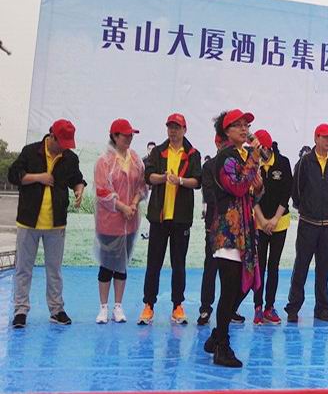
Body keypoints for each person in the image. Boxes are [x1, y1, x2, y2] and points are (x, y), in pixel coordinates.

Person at [8, 119, 86, 328]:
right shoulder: (30, 152)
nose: (64, 148)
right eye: (62, 143)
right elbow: (14, 175)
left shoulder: (70, 158)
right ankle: (20, 310)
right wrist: (38, 177)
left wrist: (79, 189)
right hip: (28, 221)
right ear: (52, 136)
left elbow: (77, 179)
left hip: (56, 224)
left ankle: (56, 309)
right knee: (23, 268)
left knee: (54, 270)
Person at [203, 109, 263, 367]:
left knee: (244, 285)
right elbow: (237, 187)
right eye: (238, 125)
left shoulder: (242, 156)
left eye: (246, 125)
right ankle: (222, 346)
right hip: (228, 232)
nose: (244, 129)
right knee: (230, 289)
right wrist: (255, 158)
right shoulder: (225, 157)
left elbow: (249, 192)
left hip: (244, 231)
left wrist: (258, 187)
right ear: (226, 131)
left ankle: (217, 335)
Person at [138, 113, 202, 326]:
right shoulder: (158, 151)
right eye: (170, 127)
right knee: (153, 264)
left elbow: (197, 181)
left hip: (181, 218)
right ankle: (148, 305)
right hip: (159, 217)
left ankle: (178, 305)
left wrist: (180, 180)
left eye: (177, 127)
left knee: (179, 264)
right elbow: (149, 176)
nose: (173, 131)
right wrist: (164, 178)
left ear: (184, 129)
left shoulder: (192, 154)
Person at [285, 123, 328, 323]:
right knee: (301, 266)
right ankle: (293, 307)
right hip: (308, 223)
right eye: (324, 137)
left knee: (323, 268)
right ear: (316, 138)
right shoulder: (305, 162)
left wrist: (326, 207)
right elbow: (296, 190)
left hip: (327, 225)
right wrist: (305, 208)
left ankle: (322, 308)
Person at [93, 119, 147, 324]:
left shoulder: (135, 159)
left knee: (122, 265)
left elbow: (141, 186)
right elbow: (102, 192)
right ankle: (103, 307)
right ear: (115, 136)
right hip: (109, 223)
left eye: (131, 135)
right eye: (125, 135)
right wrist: (122, 207)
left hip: (130, 222)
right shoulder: (104, 161)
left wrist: (133, 204)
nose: (129, 138)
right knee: (107, 265)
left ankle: (118, 305)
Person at [239, 130, 293, 325]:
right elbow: (249, 195)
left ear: (268, 147)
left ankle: (270, 307)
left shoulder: (283, 163)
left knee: (273, 265)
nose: (258, 153)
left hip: (279, 222)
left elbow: (286, 194)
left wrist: (275, 219)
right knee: (259, 266)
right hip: (260, 223)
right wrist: (261, 220)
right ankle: (258, 307)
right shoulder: (252, 165)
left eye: (260, 149)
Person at [198, 134, 223, 326]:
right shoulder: (209, 166)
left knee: (232, 270)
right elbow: (208, 194)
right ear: (217, 143)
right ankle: (205, 308)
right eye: (223, 142)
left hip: (235, 227)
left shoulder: (237, 165)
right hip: (214, 224)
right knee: (211, 267)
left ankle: (231, 309)